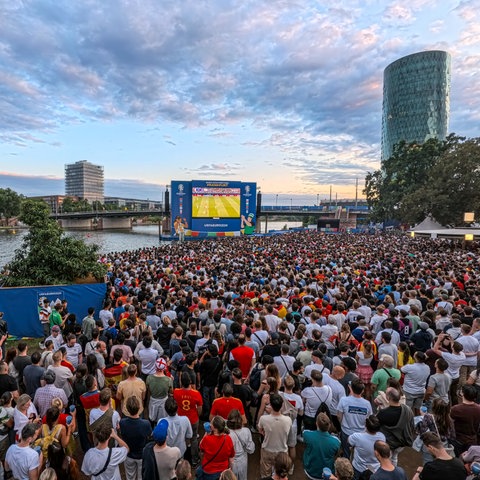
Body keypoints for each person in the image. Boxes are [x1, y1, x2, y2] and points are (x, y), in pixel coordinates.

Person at [258, 393, 293, 478]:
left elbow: (260, 430)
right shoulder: (288, 420)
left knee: (265, 475)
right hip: (282, 451)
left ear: (271, 405)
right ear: (281, 406)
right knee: (282, 475)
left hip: (267, 449)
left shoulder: (263, 419)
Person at [377, 387, 414, 466]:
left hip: (388, 443)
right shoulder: (408, 410)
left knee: (387, 459)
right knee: (395, 457)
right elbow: (412, 425)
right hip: (402, 442)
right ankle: (394, 469)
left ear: (388, 398)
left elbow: (376, 427)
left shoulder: (383, 413)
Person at [337, 380, 372, 459]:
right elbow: (368, 418)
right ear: (362, 391)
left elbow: (339, 416)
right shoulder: (367, 403)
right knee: (358, 454)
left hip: (346, 431)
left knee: (346, 452)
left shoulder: (344, 400)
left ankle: (346, 468)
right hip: (361, 433)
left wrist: (342, 424)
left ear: (351, 388)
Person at [119, 396, 152, 480]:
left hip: (129, 455)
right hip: (141, 455)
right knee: (141, 477)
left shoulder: (122, 423)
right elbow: (149, 436)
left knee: (130, 477)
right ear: (139, 407)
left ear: (127, 408)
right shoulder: (145, 424)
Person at [303, 412, 341, 479]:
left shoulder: (307, 434)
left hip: (310, 471)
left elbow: (304, 433)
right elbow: (336, 454)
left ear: (316, 423)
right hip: (327, 473)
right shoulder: (336, 441)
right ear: (329, 425)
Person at [349, 415, 386, 479]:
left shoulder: (358, 437)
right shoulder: (382, 437)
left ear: (366, 425)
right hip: (374, 469)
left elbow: (349, 441)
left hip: (358, 468)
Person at [199, 415, 235, 480]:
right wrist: (230, 470)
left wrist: (206, 433)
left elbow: (201, 447)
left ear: (214, 428)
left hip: (209, 470)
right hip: (223, 470)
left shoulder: (207, 439)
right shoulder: (228, 439)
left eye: (211, 424)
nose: (210, 424)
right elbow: (231, 458)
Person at [450, 384, 480, 452]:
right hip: (473, 440)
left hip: (459, 440)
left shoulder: (456, 409)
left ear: (462, 394)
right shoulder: (478, 409)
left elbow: (449, 423)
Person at [227, 409, 255, 480]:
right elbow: (251, 450)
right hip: (242, 461)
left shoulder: (227, 434)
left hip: (230, 462)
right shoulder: (246, 431)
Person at [146, 357, 173, 423]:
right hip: (163, 402)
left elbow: (148, 391)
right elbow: (171, 392)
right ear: (164, 367)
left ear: (155, 367)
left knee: (152, 419)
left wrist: (148, 401)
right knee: (162, 421)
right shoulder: (169, 380)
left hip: (153, 401)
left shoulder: (149, 378)